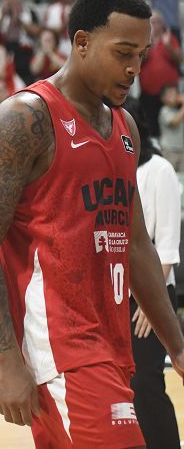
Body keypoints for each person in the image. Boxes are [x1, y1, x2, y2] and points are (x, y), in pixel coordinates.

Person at [0, 0, 184, 446]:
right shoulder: (26, 118)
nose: (133, 68)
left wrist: (177, 346)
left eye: (141, 55)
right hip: (60, 348)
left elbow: (137, 244)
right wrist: (7, 361)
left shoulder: (125, 127)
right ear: (81, 42)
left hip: (111, 345)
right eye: (123, 51)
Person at [124, 103, 181, 449]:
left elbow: (168, 246)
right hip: (117, 293)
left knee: (146, 382)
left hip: (152, 291)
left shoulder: (160, 170)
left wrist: (151, 301)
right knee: (124, 386)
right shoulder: (112, 169)